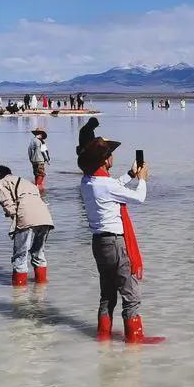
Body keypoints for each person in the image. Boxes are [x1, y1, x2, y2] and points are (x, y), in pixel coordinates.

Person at [78, 137, 163, 344]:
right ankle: (135, 340)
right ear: (105, 160)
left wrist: (130, 175)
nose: (112, 156)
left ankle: (103, 337)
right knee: (130, 294)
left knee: (107, 295)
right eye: (110, 154)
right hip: (116, 243)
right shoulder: (106, 185)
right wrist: (142, 179)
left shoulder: (87, 182)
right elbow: (139, 198)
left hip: (99, 242)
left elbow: (111, 186)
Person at [0, 164, 54, 285]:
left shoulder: (3, 182)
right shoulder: (27, 182)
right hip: (45, 217)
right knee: (39, 253)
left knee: (20, 256)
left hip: (26, 217)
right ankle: (41, 288)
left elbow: (7, 203)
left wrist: (13, 216)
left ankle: (19, 294)